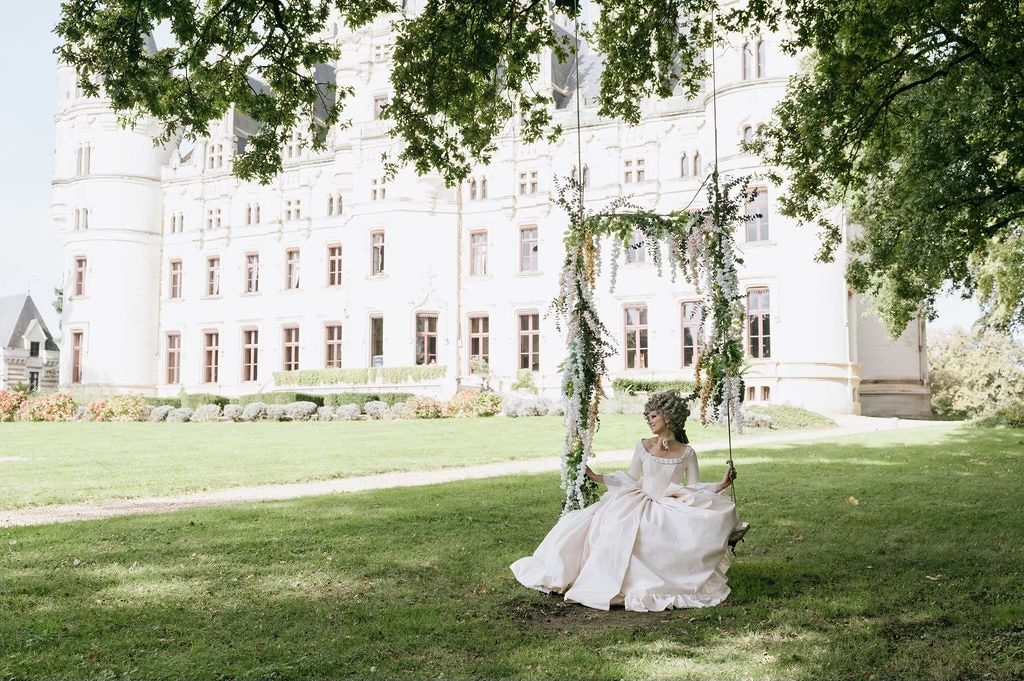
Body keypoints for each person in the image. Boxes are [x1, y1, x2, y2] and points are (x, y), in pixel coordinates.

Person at [511, 389, 739, 612]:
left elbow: (692, 487)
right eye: (648, 416)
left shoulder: (687, 452)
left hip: (669, 504)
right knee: (609, 523)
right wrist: (595, 476)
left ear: (668, 417)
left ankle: (662, 581)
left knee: (671, 530)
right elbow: (630, 478)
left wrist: (721, 484)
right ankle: (605, 577)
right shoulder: (644, 446)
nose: (649, 421)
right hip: (639, 500)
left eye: (653, 416)